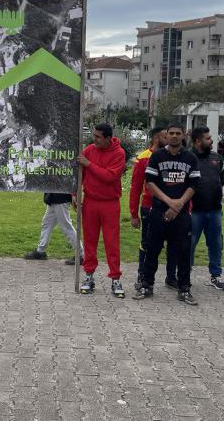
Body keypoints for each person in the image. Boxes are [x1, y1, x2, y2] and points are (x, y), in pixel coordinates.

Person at [137, 122, 200, 305]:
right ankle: (146, 285)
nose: (174, 136)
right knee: (152, 250)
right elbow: (149, 182)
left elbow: (194, 185)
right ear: (166, 135)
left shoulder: (190, 158)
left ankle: (184, 288)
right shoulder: (157, 156)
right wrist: (169, 202)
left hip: (181, 214)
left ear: (183, 135)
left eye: (177, 133)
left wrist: (178, 204)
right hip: (158, 211)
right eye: (170, 133)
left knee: (183, 252)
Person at [77, 123, 127, 298]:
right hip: (90, 202)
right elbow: (80, 174)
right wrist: (74, 194)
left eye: (98, 136)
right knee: (90, 240)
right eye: (94, 135)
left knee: (111, 242)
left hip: (110, 203)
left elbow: (110, 177)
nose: (94, 139)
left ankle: (115, 278)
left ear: (107, 138)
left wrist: (89, 164)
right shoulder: (89, 150)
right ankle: (89, 276)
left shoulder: (119, 153)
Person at [189, 126, 224, 291]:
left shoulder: (216, 158)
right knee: (189, 243)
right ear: (198, 141)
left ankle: (215, 275)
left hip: (214, 210)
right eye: (208, 138)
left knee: (216, 244)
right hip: (193, 211)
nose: (211, 141)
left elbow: (222, 180)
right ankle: (184, 273)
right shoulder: (187, 157)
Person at [129, 127, 166, 290]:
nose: (171, 138)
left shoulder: (174, 156)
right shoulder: (143, 158)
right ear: (157, 138)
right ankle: (142, 275)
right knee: (147, 243)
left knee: (174, 244)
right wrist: (133, 213)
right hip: (149, 207)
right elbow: (135, 187)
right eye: (167, 135)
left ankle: (172, 277)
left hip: (171, 208)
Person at [24, 192, 78, 263]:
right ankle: (40, 251)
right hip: (54, 198)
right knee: (46, 224)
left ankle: (81, 254)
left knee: (66, 228)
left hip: (60, 198)